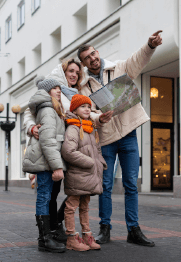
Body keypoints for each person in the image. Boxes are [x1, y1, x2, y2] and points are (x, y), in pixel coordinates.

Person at [77, 30, 163, 247]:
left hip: (128, 135)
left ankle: (133, 230)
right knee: (105, 186)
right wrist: (99, 118)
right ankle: (104, 229)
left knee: (131, 185)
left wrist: (150, 45)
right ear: (84, 63)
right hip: (106, 139)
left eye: (93, 54)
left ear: (98, 52)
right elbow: (88, 111)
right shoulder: (85, 87)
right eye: (87, 58)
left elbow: (138, 59)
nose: (93, 59)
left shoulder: (118, 68)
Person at [23, 58, 84, 243]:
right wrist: (32, 127)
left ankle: (52, 228)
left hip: (65, 152)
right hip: (53, 156)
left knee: (64, 191)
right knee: (48, 194)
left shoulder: (73, 93)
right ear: (63, 73)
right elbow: (33, 119)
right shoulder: (49, 103)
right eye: (70, 71)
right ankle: (48, 233)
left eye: (77, 72)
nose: (74, 74)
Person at [22, 76, 67, 253]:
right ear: (46, 91)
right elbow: (48, 141)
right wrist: (57, 166)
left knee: (45, 196)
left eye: (59, 88)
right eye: (55, 88)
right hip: (46, 162)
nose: (58, 90)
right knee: (44, 197)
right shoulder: (48, 109)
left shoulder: (52, 108)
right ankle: (45, 239)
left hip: (46, 161)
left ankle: (46, 237)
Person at [61, 95, 107, 251]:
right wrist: (90, 162)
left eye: (89, 106)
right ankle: (71, 238)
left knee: (85, 206)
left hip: (88, 175)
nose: (87, 109)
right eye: (83, 106)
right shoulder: (73, 127)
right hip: (78, 174)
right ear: (74, 109)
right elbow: (68, 151)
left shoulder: (90, 128)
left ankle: (87, 236)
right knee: (71, 206)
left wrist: (100, 163)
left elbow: (98, 149)